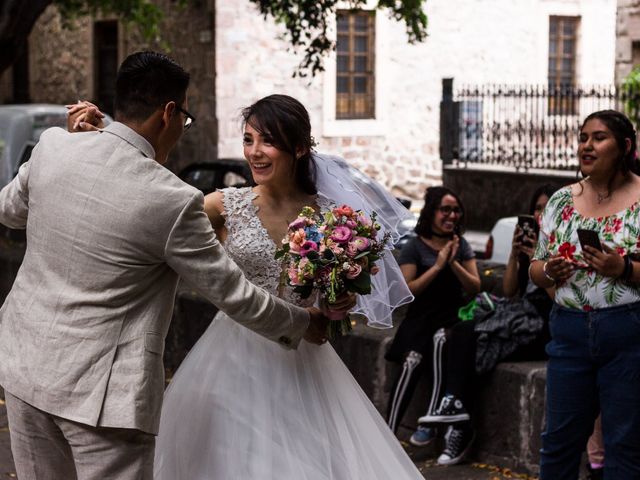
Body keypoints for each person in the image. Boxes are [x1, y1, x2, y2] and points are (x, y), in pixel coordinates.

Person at [0, 51, 333, 480]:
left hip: (22, 367)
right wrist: (305, 322)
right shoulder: (173, 200)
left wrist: (75, 144)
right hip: (102, 399)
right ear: (168, 112)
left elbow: (9, 211)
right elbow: (235, 295)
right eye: (184, 119)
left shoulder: (53, 146)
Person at [150, 94, 421, 479]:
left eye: (267, 141)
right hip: (230, 361)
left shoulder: (331, 218)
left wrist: (336, 303)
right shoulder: (221, 206)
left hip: (304, 362)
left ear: (298, 147)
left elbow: (335, 304)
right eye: (248, 140)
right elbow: (155, 221)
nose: (254, 153)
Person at [530, 110, 640, 479]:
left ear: (624, 146)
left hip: (629, 333)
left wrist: (622, 269)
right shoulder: (561, 201)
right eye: (583, 138)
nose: (587, 146)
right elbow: (536, 264)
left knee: (625, 444)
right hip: (569, 332)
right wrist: (549, 271)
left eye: (598, 137)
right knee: (559, 441)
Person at [417, 184, 557, 466]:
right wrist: (516, 256)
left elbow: (559, 299)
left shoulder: (560, 246)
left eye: (546, 208)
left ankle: (459, 422)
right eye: (537, 208)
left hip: (544, 324)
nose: (540, 214)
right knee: (463, 331)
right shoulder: (530, 244)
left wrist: (537, 259)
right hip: (518, 317)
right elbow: (508, 290)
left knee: (474, 340)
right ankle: (457, 413)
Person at [385, 186, 481, 446]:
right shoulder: (415, 246)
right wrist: (437, 266)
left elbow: (475, 287)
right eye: (445, 210)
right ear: (432, 213)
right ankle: (388, 432)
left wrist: (453, 263)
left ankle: (431, 421)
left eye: (456, 210)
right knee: (412, 361)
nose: (451, 216)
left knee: (442, 341)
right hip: (420, 319)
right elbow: (408, 290)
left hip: (448, 317)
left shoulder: (461, 247)